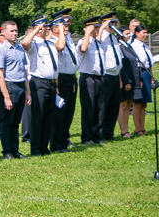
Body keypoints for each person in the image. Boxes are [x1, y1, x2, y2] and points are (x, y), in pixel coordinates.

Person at [21, 14, 64, 156]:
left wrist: (61, 30)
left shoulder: (50, 43)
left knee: (48, 117)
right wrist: (36, 30)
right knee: (38, 116)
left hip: (51, 83)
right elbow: (25, 43)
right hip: (38, 83)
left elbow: (61, 46)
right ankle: (36, 148)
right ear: (38, 28)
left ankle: (44, 147)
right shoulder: (34, 43)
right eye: (45, 26)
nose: (48, 29)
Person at [0, 20, 30, 160]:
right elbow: (0, 74)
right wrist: (6, 96)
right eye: (11, 31)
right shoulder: (1, 50)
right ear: (3, 32)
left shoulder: (19, 49)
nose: (15, 33)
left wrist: (28, 92)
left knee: (16, 122)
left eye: (16, 31)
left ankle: (15, 150)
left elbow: (24, 71)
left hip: (20, 85)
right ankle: (7, 151)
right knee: (7, 121)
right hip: (9, 86)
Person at [49, 10, 78, 153]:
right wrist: (61, 33)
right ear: (55, 28)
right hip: (60, 78)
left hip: (71, 77)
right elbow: (60, 48)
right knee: (59, 114)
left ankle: (64, 140)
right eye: (64, 25)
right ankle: (56, 144)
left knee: (68, 112)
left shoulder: (69, 38)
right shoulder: (54, 39)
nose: (67, 28)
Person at [97, 13, 129, 142]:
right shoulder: (101, 37)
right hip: (106, 75)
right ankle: (100, 134)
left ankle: (109, 133)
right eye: (111, 23)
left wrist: (120, 78)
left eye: (115, 23)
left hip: (116, 75)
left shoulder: (114, 38)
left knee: (113, 107)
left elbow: (118, 59)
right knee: (103, 107)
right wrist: (102, 28)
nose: (113, 26)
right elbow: (97, 42)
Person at [78, 16, 107, 145]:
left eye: (97, 28)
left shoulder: (97, 43)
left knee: (100, 109)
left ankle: (97, 135)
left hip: (99, 78)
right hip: (88, 77)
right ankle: (87, 137)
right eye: (94, 28)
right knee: (89, 108)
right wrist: (87, 33)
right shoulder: (83, 41)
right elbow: (83, 49)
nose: (96, 31)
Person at [129, 25, 154, 136]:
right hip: (138, 73)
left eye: (146, 33)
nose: (145, 35)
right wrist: (137, 79)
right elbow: (134, 64)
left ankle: (143, 127)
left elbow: (149, 63)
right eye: (143, 32)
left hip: (146, 73)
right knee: (138, 103)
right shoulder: (133, 46)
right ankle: (137, 128)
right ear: (137, 33)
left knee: (144, 103)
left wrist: (151, 76)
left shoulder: (145, 46)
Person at [116, 29, 138, 138]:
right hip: (125, 79)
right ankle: (123, 131)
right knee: (123, 105)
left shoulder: (127, 45)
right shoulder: (119, 46)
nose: (129, 35)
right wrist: (126, 81)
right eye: (126, 34)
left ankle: (126, 128)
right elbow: (121, 66)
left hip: (132, 78)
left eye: (129, 33)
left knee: (128, 104)